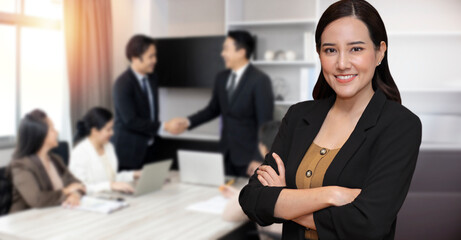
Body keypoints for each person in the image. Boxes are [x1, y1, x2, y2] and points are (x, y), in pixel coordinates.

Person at [239, 1, 422, 239]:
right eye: (330, 50)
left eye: (356, 49)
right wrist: (331, 195)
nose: (342, 63)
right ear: (319, 54)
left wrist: (284, 199)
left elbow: (367, 226)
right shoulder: (298, 116)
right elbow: (251, 199)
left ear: (380, 52)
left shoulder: (400, 126)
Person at [169, 30, 275, 177]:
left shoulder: (260, 80)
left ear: (241, 52)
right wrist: (187, 122)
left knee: (244, 198)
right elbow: (212, 109)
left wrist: (259, 158)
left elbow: (265, 124)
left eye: (226, 49)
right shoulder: (221, 78)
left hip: (248, 158)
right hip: (224, 154)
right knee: (223, 195)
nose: (222, 54)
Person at [112, 34, 180, 171]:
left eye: (155, 56)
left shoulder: (152, 78)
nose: (155, 60)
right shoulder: (123, 83)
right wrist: (164, 126)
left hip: (150, 148)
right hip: (128, 152)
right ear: (135, 57)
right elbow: (130, 120)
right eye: (150, 56)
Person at [9, 110, 85, 213]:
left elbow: (78, 184)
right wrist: (66, 191)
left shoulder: (55, 159)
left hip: (54, 215)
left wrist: (74, 195)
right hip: (25, 221)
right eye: (52, 129)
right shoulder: (21, 165)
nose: (57, 132)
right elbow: (37, 200)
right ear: (40, 134)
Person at [220, 121, 282, 240]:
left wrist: (247, 191)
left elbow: (228, 215)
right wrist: (239, 193)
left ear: (263, 149)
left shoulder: (264, 179)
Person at [69, 107, 141, 195]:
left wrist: (134, 174)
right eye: (108, 129)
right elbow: (81, 187)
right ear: (94, 131)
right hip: (93, 201)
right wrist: (110, 185)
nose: (112, 133)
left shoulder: (109, 147)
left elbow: (112, 178)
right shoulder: (80, 153)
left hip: (111, 196)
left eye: (112, 128)